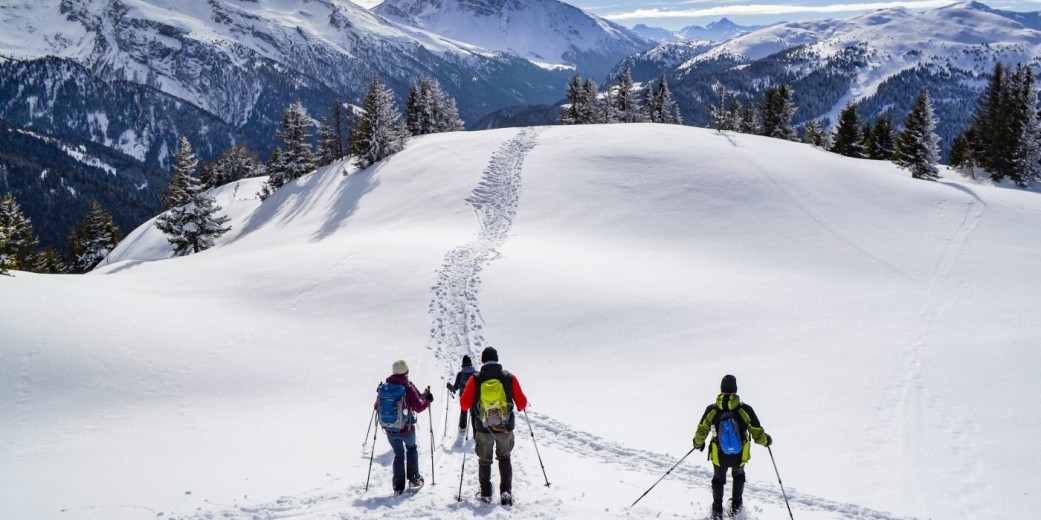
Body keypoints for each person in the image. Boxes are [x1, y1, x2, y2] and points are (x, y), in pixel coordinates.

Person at [692, 375, 772, 519]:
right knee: (739, 475)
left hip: (719, 454)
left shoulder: (712, 409)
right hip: (739, 455)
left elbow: (702, 430)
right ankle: (736, 510)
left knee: (718, 479)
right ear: (735, 390)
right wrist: (767, 441)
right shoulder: (745, 409)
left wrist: (698, 443)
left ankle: (717, 512)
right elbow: (757, 434)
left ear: (721, 389)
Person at [460, 347, 527, 505]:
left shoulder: (475, 378)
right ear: (497, 359)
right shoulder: (509, 377)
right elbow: (522, 403)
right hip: (505, 426)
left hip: (483, 427)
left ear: (483, 360)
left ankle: (486, 494)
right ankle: (506, 493)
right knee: (504, 457)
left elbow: (464, 405)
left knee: (484, 460)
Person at [375, 359, 433, 495]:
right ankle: (414, 480)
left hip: (390, 430)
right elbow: (419, 407)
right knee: (411, 449)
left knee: (398, 455)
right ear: (406, 372)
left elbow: (376, 406)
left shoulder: (384, 388)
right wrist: (428, 400)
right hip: (407, 430)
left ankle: (398, 487)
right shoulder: (408, 388)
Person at [446, 355, 477, 433]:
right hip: (474, 397)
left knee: (463, 411)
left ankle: (462, 428)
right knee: (474, 413)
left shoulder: (460, 374)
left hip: (464, 397)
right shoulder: (476, 373)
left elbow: (455, 388)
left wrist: (450, 386)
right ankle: (475, 430)